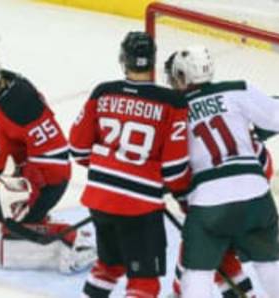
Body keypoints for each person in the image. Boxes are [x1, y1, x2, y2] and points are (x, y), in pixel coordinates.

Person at [0, 54, 96, 273]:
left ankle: (73, 240)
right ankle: (33, 218)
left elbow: (55, 157)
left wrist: (27, 192)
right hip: (5, 179)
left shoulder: (21, 103)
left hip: (44, 179)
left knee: (7, 231)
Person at [168, 45, 279, 298]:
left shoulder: (173, 110)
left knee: (197, 271)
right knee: (269, 261)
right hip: (255, 193)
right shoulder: (238, 90)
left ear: (183, 77)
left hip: (208, 200)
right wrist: (262, 127)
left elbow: (169, 163)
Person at [69, 31, 191, 298]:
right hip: (139, 206)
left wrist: (110, 168)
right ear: (153, 61)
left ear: (123, 60)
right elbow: (174, 167)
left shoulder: (103, 92)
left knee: (108, 267)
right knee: (144, 283)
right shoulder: (173, 102)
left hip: (100, 198)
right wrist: (183, 198)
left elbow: (77, 148)